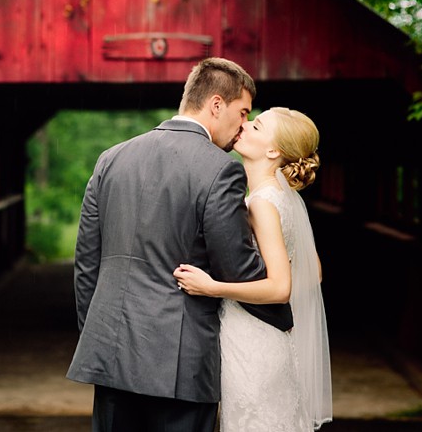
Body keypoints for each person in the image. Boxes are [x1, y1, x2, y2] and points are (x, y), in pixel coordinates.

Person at [66, 58, 292, 432]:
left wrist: (100, 339)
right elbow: (234, 263)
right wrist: (281, 317)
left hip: (110, 358)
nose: (242, 126)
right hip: (181, 367)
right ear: (216, 104)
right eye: (243, 112)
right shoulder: (220, 169)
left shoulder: (111, 159)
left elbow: (87, 265)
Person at [174, 107, 333, 431]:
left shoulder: (261, 203)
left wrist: (213, 287)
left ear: (273, 150)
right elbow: (313, 270)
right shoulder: (281, 197)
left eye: (257, 126)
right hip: (267, 338)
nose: (245, 125)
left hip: (252, 341)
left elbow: (279, 289)